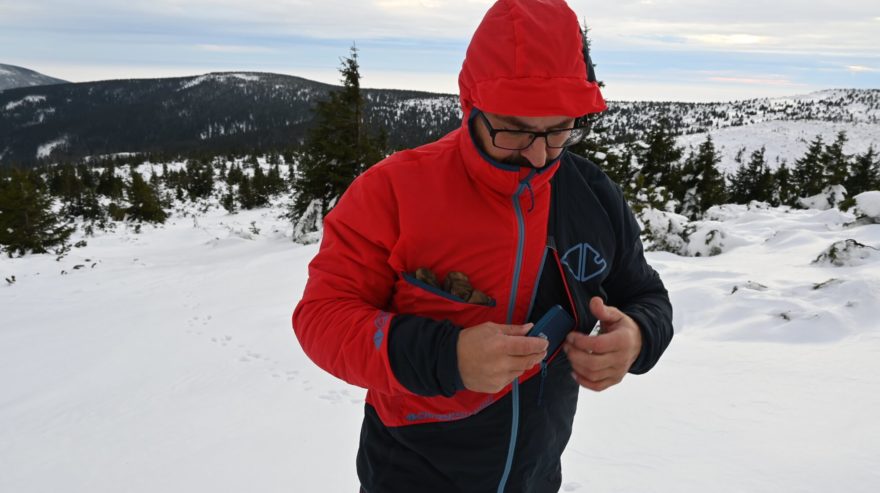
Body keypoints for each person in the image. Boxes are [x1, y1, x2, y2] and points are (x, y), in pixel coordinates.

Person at [292, 0, 673, 491]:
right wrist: (447, 357)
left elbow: (645, 293)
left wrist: (638, 337)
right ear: (470, 105)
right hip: (407, 474)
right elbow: (321, 317)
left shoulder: (592, 194)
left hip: (536, 474)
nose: (537, 155)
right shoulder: (392, 191)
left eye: (559, 131)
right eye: (514, 130)